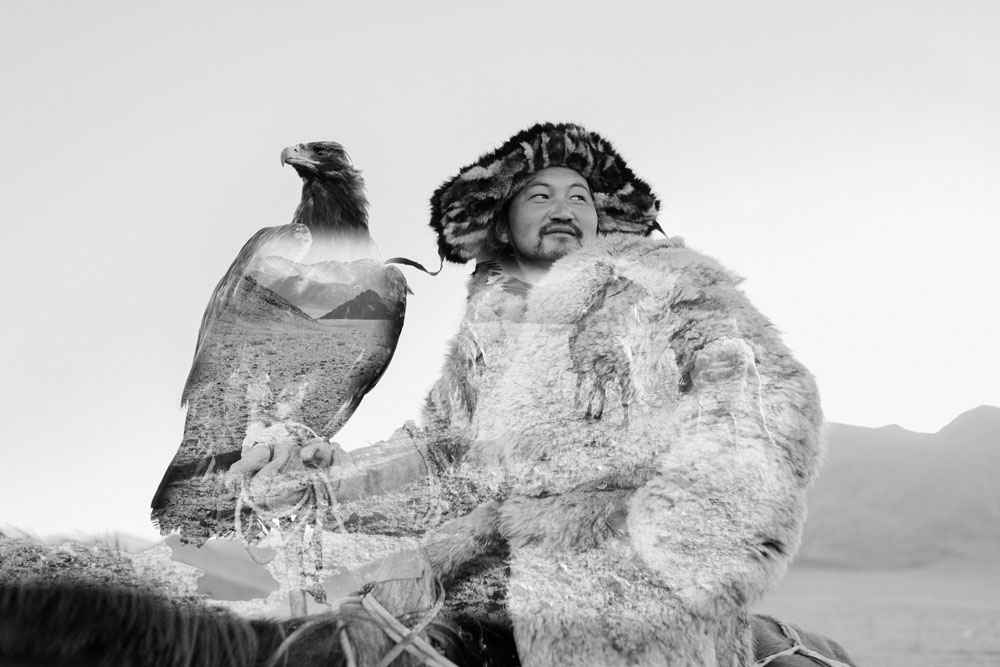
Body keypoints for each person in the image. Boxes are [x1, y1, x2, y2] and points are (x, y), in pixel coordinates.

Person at [236, 122, 857, 667]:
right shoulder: (489, 327)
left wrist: (680, 545)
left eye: (580, 195)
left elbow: (769, 399)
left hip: (622, 575)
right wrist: (323, 475)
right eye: (539, 194)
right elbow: (442, 453)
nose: (564, 206)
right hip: (479, 565)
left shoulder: (665, 281)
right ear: (503, 219)